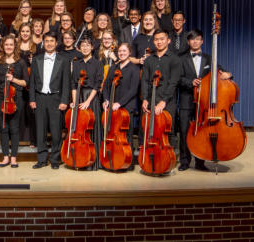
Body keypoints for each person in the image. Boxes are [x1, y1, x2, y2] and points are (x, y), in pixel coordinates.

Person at [178, 29, 232, 171]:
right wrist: (190, 82)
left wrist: (228, 74)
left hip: (203, 104)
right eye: (192, 39)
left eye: (198, 39)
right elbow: (177, 78)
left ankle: (200, 162)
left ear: (202, 41)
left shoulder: (209, 58)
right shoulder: (181, 58)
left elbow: (220, 72)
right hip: (186, 100)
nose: (195, 42)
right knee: (184, 132)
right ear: (188, 42)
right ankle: (184, 162)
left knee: (201, 132)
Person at [29, 32, 70, 169]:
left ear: (56, 43)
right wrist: (32, 99)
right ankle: (41, 160)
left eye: (52, 41)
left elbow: (66, 83)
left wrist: (64, 100)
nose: (49, 43)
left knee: (56, 131)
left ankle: (55, 159)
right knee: (40, 131)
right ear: (43, 43)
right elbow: (32, 82)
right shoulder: (37, 59)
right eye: (46, 41)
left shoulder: (63, 60)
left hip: (56, 99)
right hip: (40, 98)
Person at [141, 30, 183, 156]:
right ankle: (149, 158)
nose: (159, 42)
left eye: (162, 39)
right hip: (151, 99)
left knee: (167, 131)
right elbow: (145, 80)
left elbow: (173, 83)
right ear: (153, 42)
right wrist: (145, 98)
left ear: (168, 40)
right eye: (156, 40)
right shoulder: (149, 60)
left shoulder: (175, 59)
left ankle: (167, 159)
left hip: (167, 101)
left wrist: (163, 102)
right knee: (149, 130)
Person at [0, 35, 29, 168]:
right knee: (3, 128)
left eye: (11, 45)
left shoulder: (21, 62)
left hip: (15, 97)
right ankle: (5, 157)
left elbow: (25, 82)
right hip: (0, 97)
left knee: (14, 128)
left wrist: (13, 79)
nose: (8, 47)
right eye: (6, 44)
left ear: (15, 46)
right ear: (3, 46)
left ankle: (13, 157)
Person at [102, 43, 141, 171]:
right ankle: (112, 159)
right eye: (120, 51)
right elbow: (106, 86)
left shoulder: (134, 69)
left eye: (124, 51)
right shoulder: (113, 67)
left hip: (126, 107)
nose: (122, 53)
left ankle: (126, 161)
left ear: (129, 52)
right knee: (111, 132)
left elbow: (133, 90)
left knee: (125, 135)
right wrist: (106, 99)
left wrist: (120, 103)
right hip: (112, 105)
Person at [70, 38, 103, 170]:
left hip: (91, 98)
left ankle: (94, 161)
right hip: (79, 95)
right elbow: (73, 83)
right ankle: (80, 158)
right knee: (80, 129)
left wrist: (88, 101)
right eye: (82, 45)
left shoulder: (97, 63)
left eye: (87, 45)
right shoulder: (76, 63)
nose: (85, 48)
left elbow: (97, 84)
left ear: (92, 47)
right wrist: (74, 101)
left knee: (93, 128)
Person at [17, 23, 36, 147]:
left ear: (31, 33)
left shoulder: (36, 47)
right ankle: (18, 138)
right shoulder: (16, 47)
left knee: (31, 112)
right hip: (18, 81)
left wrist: (34, 62)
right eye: (23, 31)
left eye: (27, 31)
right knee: (19, 111)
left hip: (32, 81)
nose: (25, 33)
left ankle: (33, 140)